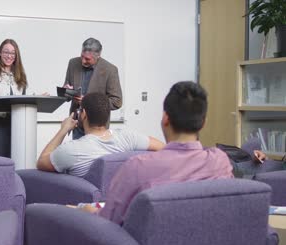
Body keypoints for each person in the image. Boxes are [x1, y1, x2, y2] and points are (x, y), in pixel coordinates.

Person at [86, 81, 234, 225]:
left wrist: (87, 211)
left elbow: (108, 223)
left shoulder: (137, 167)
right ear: (203, 123)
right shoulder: (220, 162)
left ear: (165, 119)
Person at [36, 92, 165, 178]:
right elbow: (164, 148)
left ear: (84, 114)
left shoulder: (72, 150)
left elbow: (41, 163)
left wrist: (63, 130)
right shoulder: (128, 137)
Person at [63, 37, 122, 139]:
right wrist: (66, 90)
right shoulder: (72, 63)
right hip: (76, 124)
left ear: (98, 56)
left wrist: (89, 102)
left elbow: (117, 101)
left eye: (87, 59)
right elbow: (67, 91)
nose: (82, 61)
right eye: (82, 56)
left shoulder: (110, 70)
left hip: (97, 127)